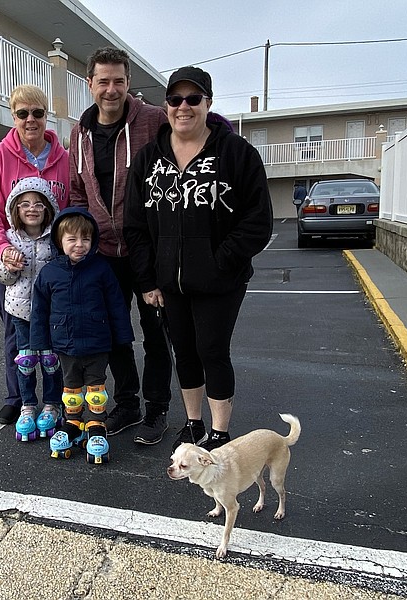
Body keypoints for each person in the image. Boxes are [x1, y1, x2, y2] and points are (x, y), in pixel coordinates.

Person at [123, 66, 273, 453]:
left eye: (193, 99)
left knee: (212, 349)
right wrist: (147, 280)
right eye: (175, 100)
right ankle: (193, 423)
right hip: (168, 284)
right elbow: (135, 226)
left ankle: (220, 431)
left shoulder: (237, 153)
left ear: (208, 102)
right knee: (184, 352)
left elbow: (257, 221)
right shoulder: (147, 159)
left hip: (221, 281)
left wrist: (219, 262)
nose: (183, 107)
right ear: (166, 105)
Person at [69, 46, 172, 445]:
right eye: (103, 81)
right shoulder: (79, 134)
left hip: (149, 250)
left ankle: (157, 410)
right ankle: (127, 404)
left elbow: (189, 146)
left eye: (119, 81)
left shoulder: (152, 121)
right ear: (90, 83)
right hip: (103, 254)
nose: (111, 89)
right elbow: (78, 192)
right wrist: (81, 240)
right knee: (114, 333)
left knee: (155, 331)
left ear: (128, 83)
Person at [0, 84, 69, 426]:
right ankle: (19, 398)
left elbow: (70, 210)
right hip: (10, 262)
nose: (31, 120)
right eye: (22, 113)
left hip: (50, 260)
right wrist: (3, 249)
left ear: (47, 116)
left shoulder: (63, 160)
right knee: (17, 332)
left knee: (54, 331)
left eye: (38, 113)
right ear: (12, 116)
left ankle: (56, 399)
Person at [30, 207, 134, 464]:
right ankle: (74, 422)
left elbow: (116, 304)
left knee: (96, 388)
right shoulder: (49, 272)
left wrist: (122, 336)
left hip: (98, 343)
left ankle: (96, 424)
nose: (80, 245)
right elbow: (39, 311)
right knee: (71, 388)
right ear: (59, 241)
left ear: (93, 241)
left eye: (85, 239)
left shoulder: (101, 269)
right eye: (72, 239)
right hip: (64, 344)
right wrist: (40, 344)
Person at [0, 177, 63, 442]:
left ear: (47, 208)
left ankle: (53, 404)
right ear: (16, 210)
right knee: (25, 361)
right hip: (20, 312)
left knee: (50, 360)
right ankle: (28, 405)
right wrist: (9, 268)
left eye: (38, 204)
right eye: (24, 205)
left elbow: (64, 271)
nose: (31, 209)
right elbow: (0, 275)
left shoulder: (55, 238)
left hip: (49, 313)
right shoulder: (9, 240)